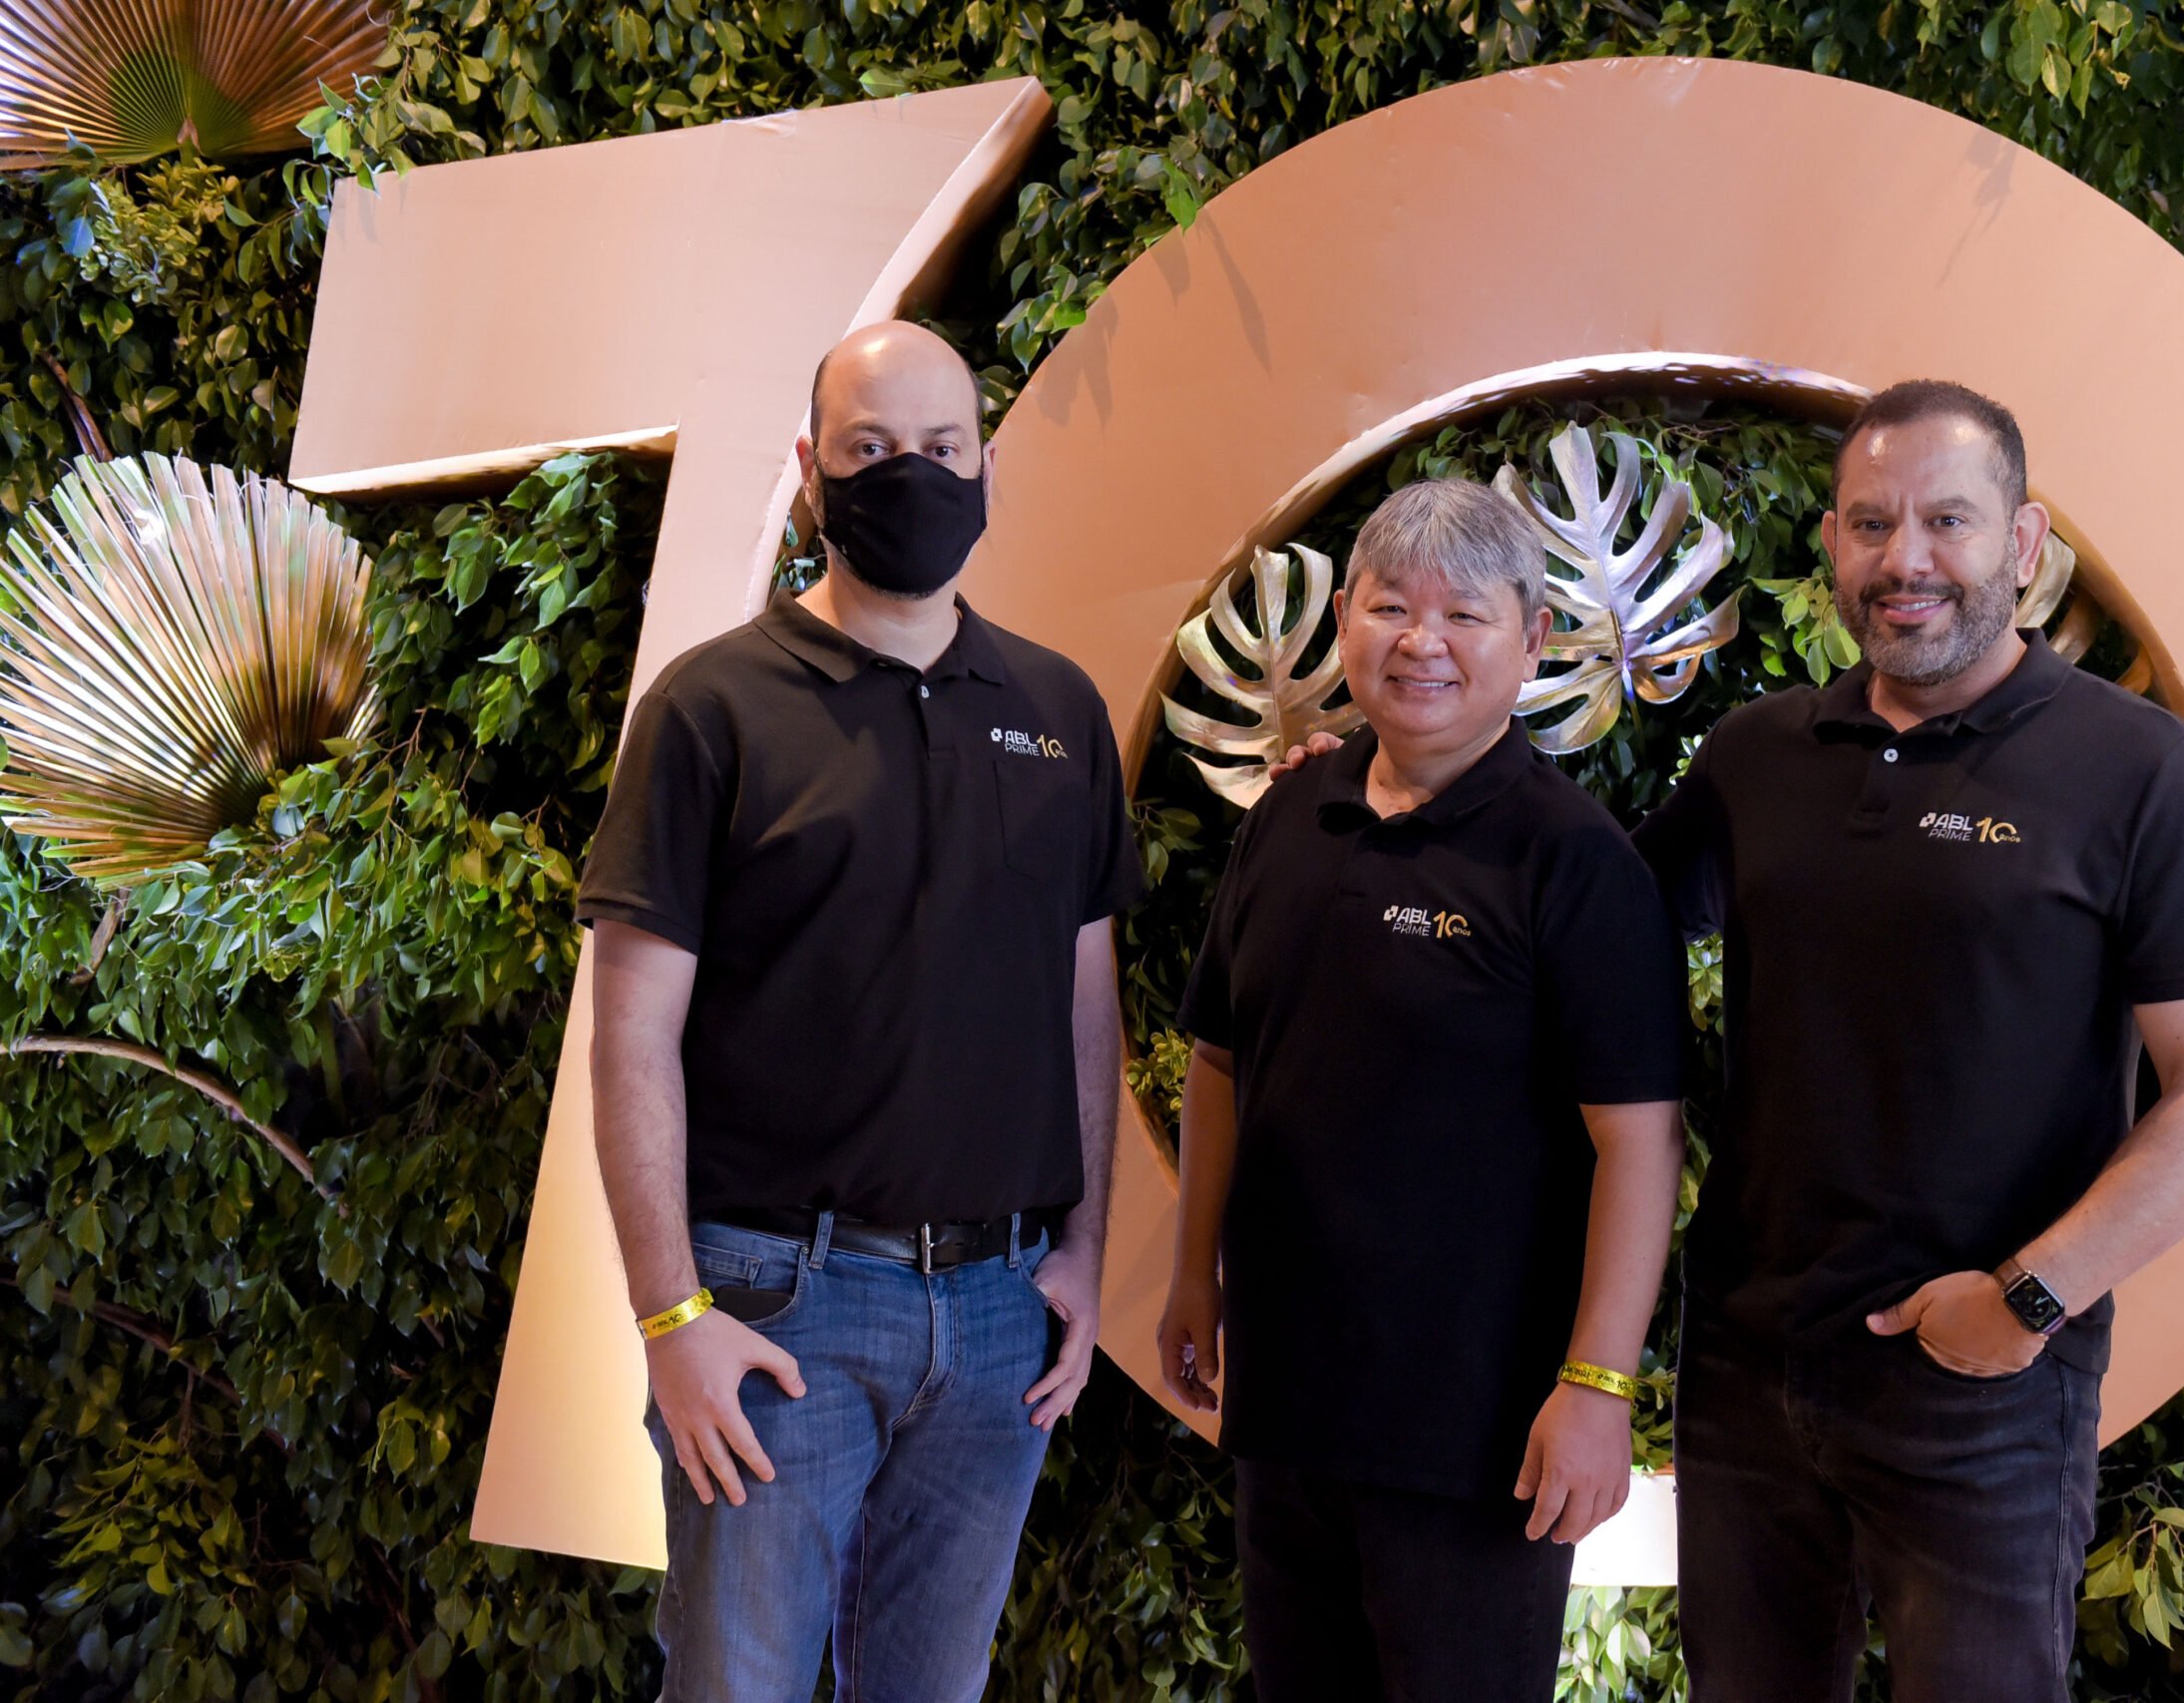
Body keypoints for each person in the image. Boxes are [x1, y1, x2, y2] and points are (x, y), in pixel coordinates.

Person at [1632, 380, 2184, 1701]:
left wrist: (2028, 1298)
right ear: (1832, 545)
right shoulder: (1757, 757)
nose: (1905, 558)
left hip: (1980, 1387)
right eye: (1871, 524)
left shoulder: (2144, 772)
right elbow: (1582, 931)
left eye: (1948, 521)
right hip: (1749, 1368)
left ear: (2026, 542)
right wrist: (1392, 781)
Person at [578, 320, 1143, 1701]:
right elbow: (631, 1030)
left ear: (986, 466)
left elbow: (1086, 1000)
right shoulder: (712, 707)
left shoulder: (1060, 709)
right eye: (871, 450)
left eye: (942, 448)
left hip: (1004, 1313)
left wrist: (1083, 1246)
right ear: (810, 472)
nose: (913, 475)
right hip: (780, 1301)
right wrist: (670, 1315)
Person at [1156, 477, 1690, 1703]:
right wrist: (1194, 1273)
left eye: (1463, 615)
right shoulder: (1291, 811)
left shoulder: (1576, 864)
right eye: (1392, 607)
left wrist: (1597, 1385)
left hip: (1476, 1439)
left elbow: (1639, 1145)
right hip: (1288, 1408)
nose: (1422, 643)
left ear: (1534, 635)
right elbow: (1222, 1058)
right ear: (1346, 619)